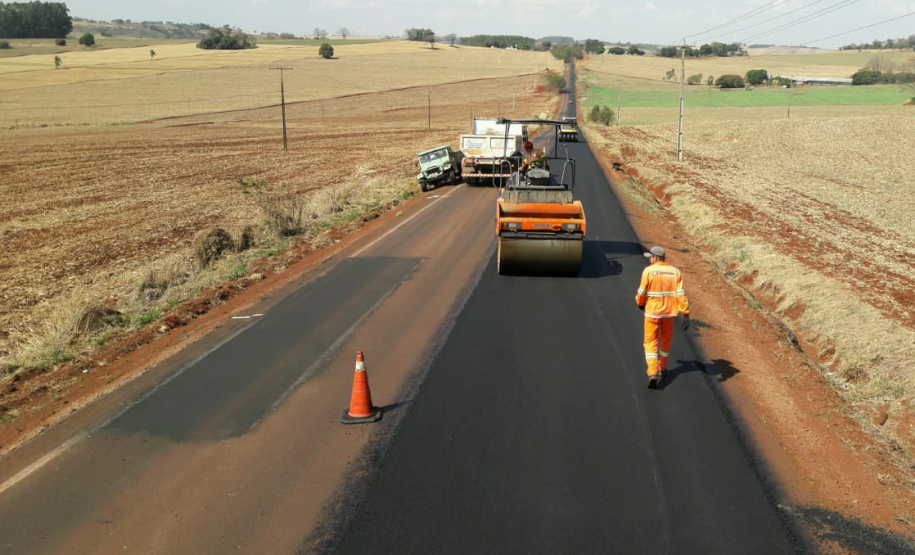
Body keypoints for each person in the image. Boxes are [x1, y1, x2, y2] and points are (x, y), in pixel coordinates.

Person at [635, 246, 690, 389]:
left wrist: (640, 303)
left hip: (652, 313)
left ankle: (652, 372)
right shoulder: (675, 272)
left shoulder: (648, 271)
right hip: (669, 314)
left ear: (655, 258)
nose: (649, 260)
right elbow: (680, 294)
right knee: (665, 342)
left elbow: (642, 292)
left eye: (650, 257)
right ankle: (663, 368)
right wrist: (686, 313)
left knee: (650, 342)